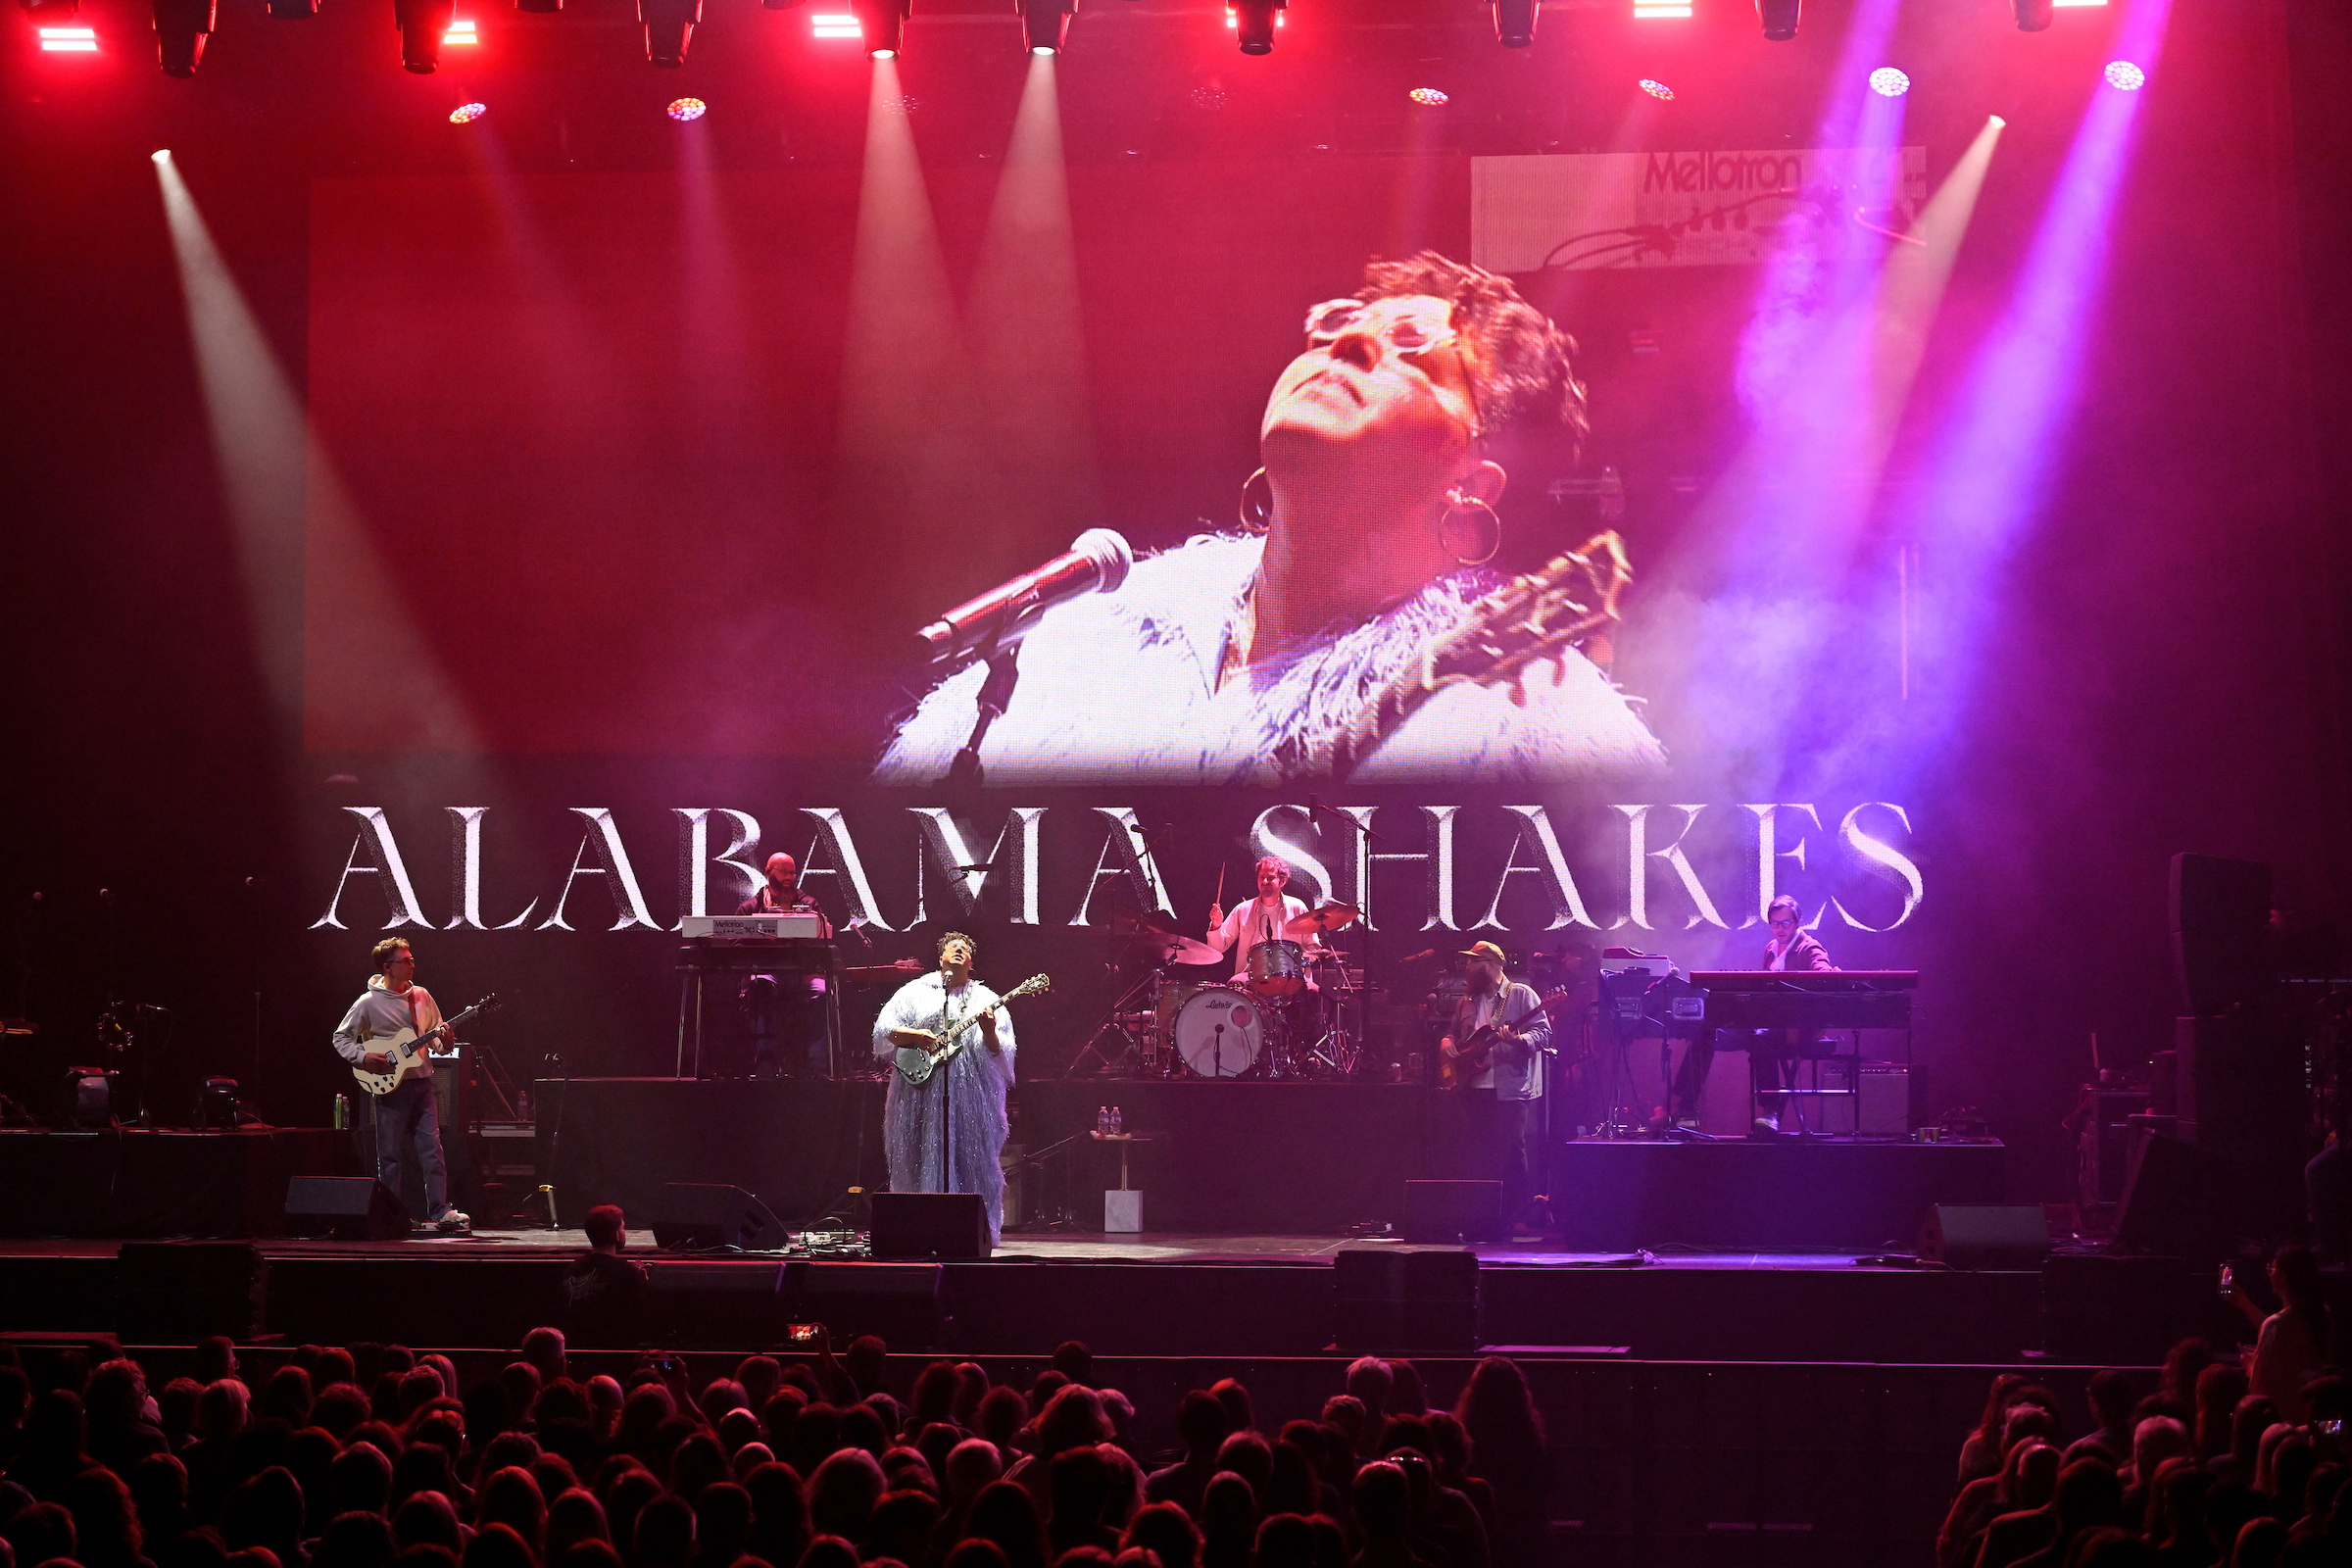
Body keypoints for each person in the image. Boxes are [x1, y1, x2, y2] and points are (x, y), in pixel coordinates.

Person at [873, 252, 1665, 787]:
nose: (1350, 339)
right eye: (1338, 324)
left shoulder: (1528, 717)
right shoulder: (1092, 630)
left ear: (1472, 482)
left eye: (1414, 350)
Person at [873, 933, 1018, 1249]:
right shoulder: (914, 992)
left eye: (965, 949)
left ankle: (976, 1232)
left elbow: (1001, 1054)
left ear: (971, 963)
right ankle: (915, 1231)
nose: (959, 951)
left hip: (971, 1100)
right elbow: (885, 1031)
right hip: (919, 1097)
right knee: (916, 1156)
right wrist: (915, 1034)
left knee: (972, 1161)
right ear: (940, 958)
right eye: (952, 948)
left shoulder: (985, 999)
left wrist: (989, 1030)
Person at [330, 938, 468, 1233]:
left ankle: (440, 1211)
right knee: (390, 1156)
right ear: (387, 967)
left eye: (411, 958)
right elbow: (340, 1038)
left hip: (422, 1085)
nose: (411, 963)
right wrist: (365, 1056)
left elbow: (438, 1043)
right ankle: (391, 1215)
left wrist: (447, 1038)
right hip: (390, 1089)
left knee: (433, 1150)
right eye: (404, 960)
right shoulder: (368, 1003)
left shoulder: (421, 995)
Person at [1668, 894, 1838, 1134]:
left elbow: (1823, 974)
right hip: (1766, 1023)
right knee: (1707, 1026)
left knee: (1762, 1035)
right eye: (1775, 924)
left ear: (1798, 922)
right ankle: (1685, 1107)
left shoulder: (1809, 948)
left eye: (1785, 923)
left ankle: (1770, 1111)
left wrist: (1825, 975)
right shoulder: (1771, 949)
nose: (1779, 929)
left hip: (1793, 1028)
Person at [1437, 943, 1551, 1236]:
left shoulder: (1522, 995)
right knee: (1479, 1152)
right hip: (1473, 1086)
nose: (1467, 969)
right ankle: (1486, 1214)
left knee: (1510, 1151)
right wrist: (1446, 1042)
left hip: (1509, 1087)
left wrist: (1516, 1041)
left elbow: (1543, 1032)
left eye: (1473, 963)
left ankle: (1516, 1214)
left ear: (1490, 965)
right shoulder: (1467, 1001)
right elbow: (1454, 1033)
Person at [735, 854, 834, 1079]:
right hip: (767, 971)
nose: (790, 877)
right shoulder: (751, 907)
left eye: (793, 872)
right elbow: (736, 944)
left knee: (820, 991)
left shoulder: (809, 904)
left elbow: (821, 938)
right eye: (784, 872)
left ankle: (818, 1065)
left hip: (804, 971)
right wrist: (761, 940)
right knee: (761, 986)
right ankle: (766, 1062)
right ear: (769, 871)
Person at [2228, 1246, 2328, 1422]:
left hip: (2284, 1422)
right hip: (2313, 1416)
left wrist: (2251, 1365)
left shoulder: (2277, 1325)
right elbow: (2282, 1330)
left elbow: (2259, 1388)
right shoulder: (2322, 1313)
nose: (2269, 1274)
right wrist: (2243, 1302)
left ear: (2282, 1277)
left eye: (2271, 1269)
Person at [1202, 858, 1324, 989]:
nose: (1265, 881)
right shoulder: (1242, 909)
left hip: (1291, 976)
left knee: (1314, 991)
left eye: (1270, 878)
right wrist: (1216, 925)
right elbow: (1218, 948)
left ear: (1282, 881)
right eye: (1261, 877)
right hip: (1252, 977)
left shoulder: (1297, 907)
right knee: (1234, 983)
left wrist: (1299, 961)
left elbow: (1313, 947)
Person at [561, 1205, 647, 1348]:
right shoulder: (625, 1271)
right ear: (616, 1235)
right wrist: (643, 1282)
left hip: (579, 1346)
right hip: (616, 1347)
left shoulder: (572, 1269)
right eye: (622, 1229)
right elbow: (638, 1315)